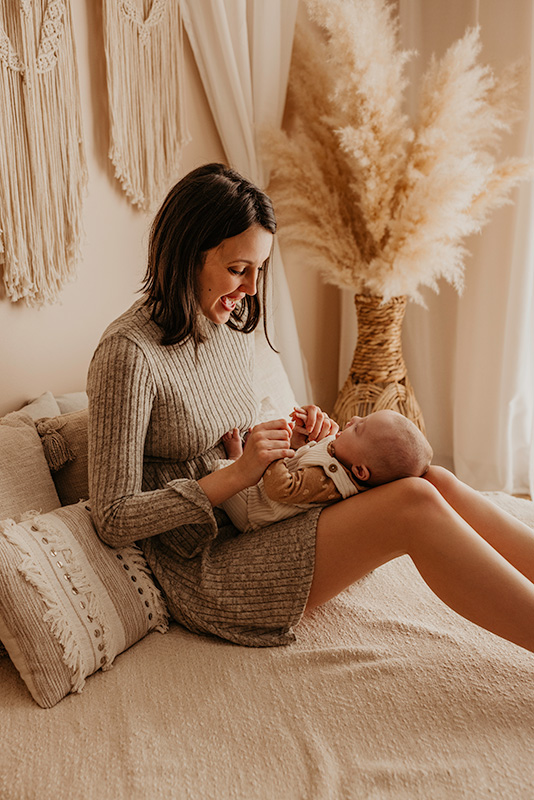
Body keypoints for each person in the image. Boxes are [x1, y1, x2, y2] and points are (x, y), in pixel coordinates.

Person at [87, 162, 534, 654]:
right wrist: (240, 474)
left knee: (431, 477)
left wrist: (300, 441)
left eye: (259, 269)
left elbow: (225, 433)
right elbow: (113, 516)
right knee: (414, 504)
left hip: (260, 513)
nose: (252, 290)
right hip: (204, 561)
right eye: (238, 269)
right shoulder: (128, 354)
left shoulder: (228, 324)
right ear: (185, 255)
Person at [217, 407, 433, 533]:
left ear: (359, 471)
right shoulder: (344, 458)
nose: (353, 420)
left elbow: (281, 489)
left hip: (252, 511)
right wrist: (309, 435)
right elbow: (311, 456)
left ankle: (235, 457)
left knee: (219, 472)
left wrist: (275, 453)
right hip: (266, 491)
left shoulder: (328, 481)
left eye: (358, 428)